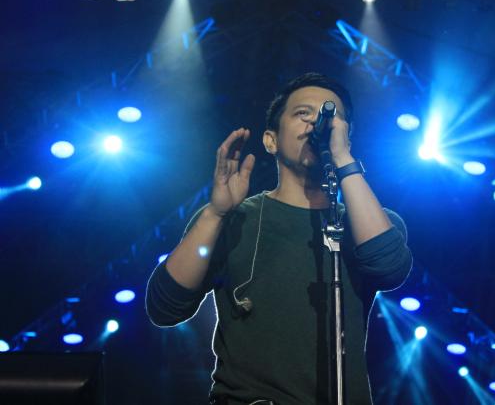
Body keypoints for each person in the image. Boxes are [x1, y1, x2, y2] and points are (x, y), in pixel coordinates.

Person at [145, 73, 412, 405]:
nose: (317, 122)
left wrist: (343, 159)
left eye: (330, 116)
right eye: (303, 113)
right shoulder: (234, 219)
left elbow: (389, 268)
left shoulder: (367, 222)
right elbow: (165, 307)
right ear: (271, 140)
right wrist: (215, 214)